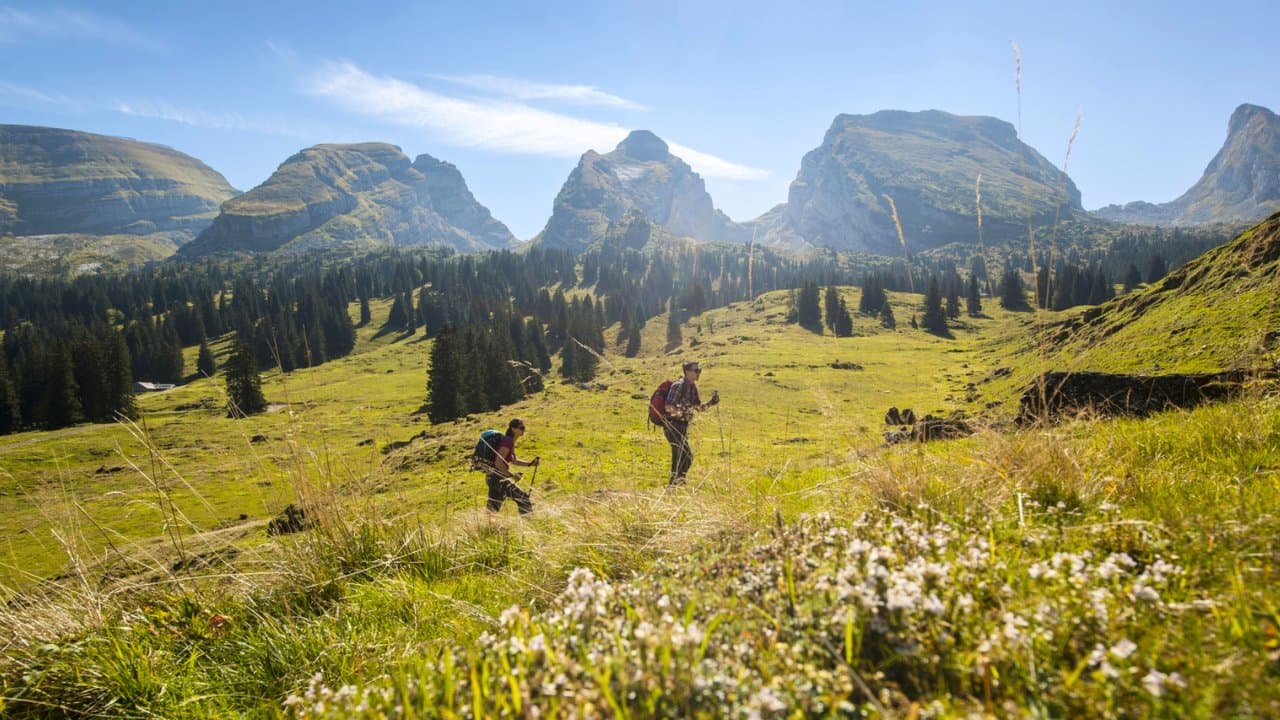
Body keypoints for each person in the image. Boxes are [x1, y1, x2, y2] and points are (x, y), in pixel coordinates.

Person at [662, 361, 719, 486]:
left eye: (699, 370)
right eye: (696, 370)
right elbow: (668, 407)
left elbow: (697, 408)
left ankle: (676, 483)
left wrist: (711, 402)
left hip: (682, 426)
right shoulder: (678, 386)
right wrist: (683, 413)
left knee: (682, 457)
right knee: (684, 456)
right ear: (687, 372)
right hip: (672, 426)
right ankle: (675, 484)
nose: (699, 373)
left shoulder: (692, 387)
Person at [486, 417, 539, 515]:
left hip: (492, 477)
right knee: (523, 498)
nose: (524, 430)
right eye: (521, 428)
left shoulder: (509, 441)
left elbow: (513, 461)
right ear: (513, 429)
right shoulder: (507, 441)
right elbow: (498, 462)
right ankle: (529, 524)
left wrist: (530, 464)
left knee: (493, 508)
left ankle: (487, 527)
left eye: (524, 428)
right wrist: (511, 475)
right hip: (499, 478)